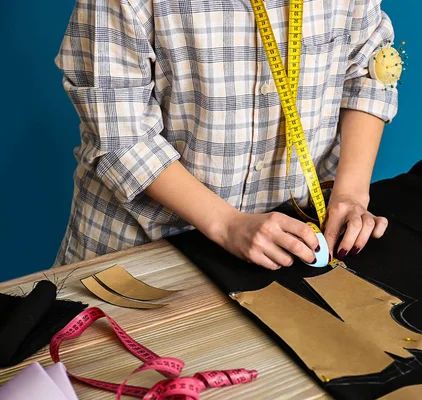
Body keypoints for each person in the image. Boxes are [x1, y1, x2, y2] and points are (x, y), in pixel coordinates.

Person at [54, 0, 399, 270]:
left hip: (289, 244)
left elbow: (367, 72)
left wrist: (351, 194)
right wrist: (228, 225)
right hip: (143, 250)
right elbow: (122, 135)